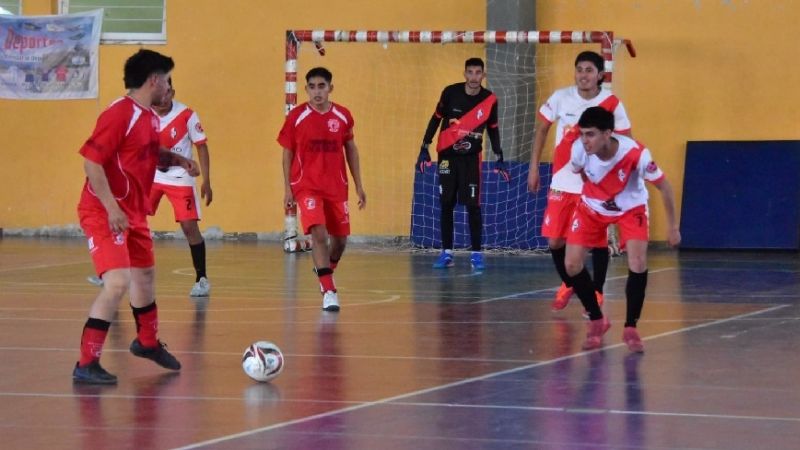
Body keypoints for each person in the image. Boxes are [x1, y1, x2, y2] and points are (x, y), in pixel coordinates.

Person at [74, 49, 199, 384]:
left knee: (144, 276)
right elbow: (91, 162)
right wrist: (112, 208)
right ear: (154, 80)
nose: (169, 87)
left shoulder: (149, 117)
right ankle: (86, 363)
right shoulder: (120, 113)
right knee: (118, 282)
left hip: (133, 212)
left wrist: (177, 159)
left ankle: (147, 342)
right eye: (167, 80)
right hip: (105, 211)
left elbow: (148, 153)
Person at [564, 106, 680, 352]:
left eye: (591, 134)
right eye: (582, 134)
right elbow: (581, 173)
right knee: (571, 264)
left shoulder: (636, 154)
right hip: (592, 206)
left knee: (637, 262)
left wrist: (673, 227)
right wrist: (596, 195)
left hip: (630, 208)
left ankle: (631, 328)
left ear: (608, 134)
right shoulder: (579, 150)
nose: (585, 140)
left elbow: (665, 187)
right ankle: (597, 320)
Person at [527, 51, 632, 312]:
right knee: (554, 241)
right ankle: (570, 282)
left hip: (595, 185)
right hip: (563, 181)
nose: (583, 75)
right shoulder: (560, 97)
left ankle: (596, 292)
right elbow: (542, 129)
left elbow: (626, 140)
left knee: (597, 241)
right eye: (579, 69)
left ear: (600, 75)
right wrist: (533, 167)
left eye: (589, 70)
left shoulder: (611, 103)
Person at [278, 67, 366, 312]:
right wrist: (287, 188)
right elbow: (287, 153)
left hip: (336, 187)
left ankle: (326, 271)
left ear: (330, 88)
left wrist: (359, 185)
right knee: (318, 234)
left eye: (322, 86)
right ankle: (329, 291)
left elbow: (351, 149)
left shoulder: (343, 116)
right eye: (312, 87)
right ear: (306, 89)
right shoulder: (296, 117)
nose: (317, 91)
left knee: (340, 241)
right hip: (306, 186)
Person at [416, 57, 509, 270]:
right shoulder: (450, 93)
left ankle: (476, 254)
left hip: (471, 159)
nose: (474, 77)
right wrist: (424, 146)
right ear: (464, 73)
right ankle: (447, 253)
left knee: (473, 206)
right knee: (446, 203)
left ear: (483, 75)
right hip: (447, 157)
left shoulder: (489, 100)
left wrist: (499, 156)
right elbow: (435, 119)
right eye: (470, 72)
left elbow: (493, 128)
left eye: (478, 72)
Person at [149, 78, 213, 297]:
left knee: (189, 227)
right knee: (130, 219)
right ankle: (113, 272)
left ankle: (201, 279)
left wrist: (206, 180)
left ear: (172, 92)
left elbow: (202, 146)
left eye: (166, 92)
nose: (162, 98)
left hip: (180, 176)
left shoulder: (186, 115)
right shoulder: (143, 115)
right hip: (152, 175)